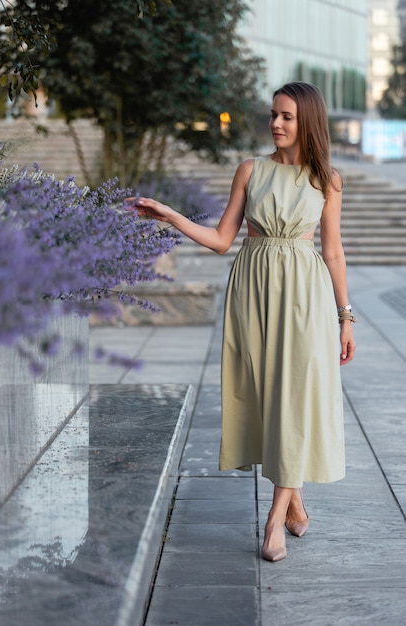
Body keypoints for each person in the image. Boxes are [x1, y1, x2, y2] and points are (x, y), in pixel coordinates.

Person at [133, 81, 356, 562]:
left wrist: (345, 316)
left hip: (305, 297)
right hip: (253, 292)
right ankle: (295, 502)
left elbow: (333, 252)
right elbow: (220, 239)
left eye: (287, 117)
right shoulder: (251, 170)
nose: (275, 123)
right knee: (264, 399)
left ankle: (273, 521)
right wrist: (171, 216)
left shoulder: (327, 181)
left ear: (308, 122)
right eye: (273, 115)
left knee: (293, 400)